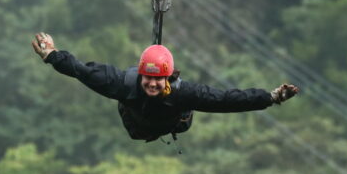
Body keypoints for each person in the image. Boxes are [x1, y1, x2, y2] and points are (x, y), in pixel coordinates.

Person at [32, 32, 299, 142]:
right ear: (141, 75)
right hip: (136, 124)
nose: (152, 83)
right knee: (131, 113)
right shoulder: (122, 83)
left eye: (158, 80)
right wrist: (53, 56)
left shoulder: (185, 93)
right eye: (148, 79)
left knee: (183, 114)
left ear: (167, 78)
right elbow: (82, 71)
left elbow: (227, 100)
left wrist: (270, 97)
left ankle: (178, 118)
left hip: (172, 120)